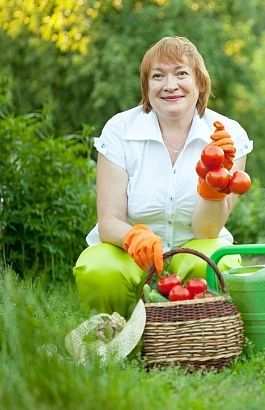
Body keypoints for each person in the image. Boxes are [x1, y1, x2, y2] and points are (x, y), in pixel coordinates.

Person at [73, 36, 253, 318]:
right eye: (158, 76)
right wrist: (134, 236)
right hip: (129, 254)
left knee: (216, 260)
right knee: (99, 268)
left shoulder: (226, 135)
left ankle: (196, 330)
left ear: (200, 83)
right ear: (147, 86)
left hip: (192, 248)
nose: (170, 85)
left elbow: (207, 232)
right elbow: (108, 223)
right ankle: (117, 332)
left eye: (181, 73)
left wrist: (213, 183)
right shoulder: (120, 130)